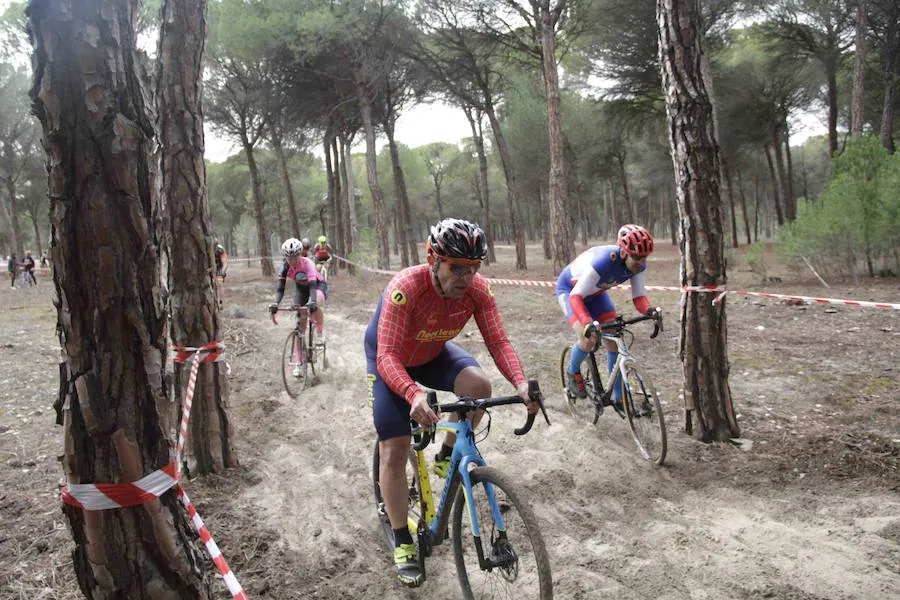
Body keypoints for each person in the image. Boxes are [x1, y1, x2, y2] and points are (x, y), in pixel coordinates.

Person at [365, 217, 539, 587]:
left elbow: (499, 342)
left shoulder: (478, 291)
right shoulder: (405, 289)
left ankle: (446, 457)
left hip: (432, 354)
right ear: (433, 260)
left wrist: (521, 383)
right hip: (389, 359)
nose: (466, 277)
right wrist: (412, 394)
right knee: (394, 450)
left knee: (478, 385)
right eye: (457, 268)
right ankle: (402, 540)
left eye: (474, 269)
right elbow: (387, 357)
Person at [557, 224, 660, 404]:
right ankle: (572, 372)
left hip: (595, 293)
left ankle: (619, 399)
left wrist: (650, 311)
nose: (641, 263)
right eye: (636, 257)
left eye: (644, 258)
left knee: (613, 341)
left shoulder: (637, 266)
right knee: (588, 338)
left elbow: (639, 297)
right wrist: (587, 322)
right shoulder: (604, 262)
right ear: (623, 253)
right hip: (570, 291)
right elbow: (576, 297)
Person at [269, 238, 327, 375]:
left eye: (294, 256)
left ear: (300, 254)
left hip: (317, 286)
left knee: (316, 302)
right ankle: (299, 362)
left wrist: (312, 302)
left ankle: (320, 331)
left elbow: (313, 287)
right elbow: (280, 289)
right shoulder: (285, 267)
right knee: (300, 326)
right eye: (289, 257)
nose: (292, 260)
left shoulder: (308, 264)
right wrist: (275, 303)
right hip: (301, 289)